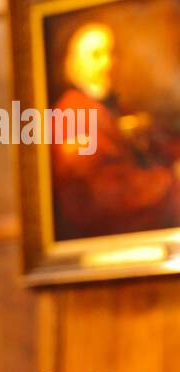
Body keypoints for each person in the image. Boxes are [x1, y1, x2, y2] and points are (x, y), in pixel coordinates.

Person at [51, 21, 180, 239]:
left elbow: (156, 143)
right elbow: (109, 193)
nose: (108, 63)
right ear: (73, 64)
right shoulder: (71, 115)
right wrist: (172, 181)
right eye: (96, 55)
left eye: (111, 54)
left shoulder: (109, 107)